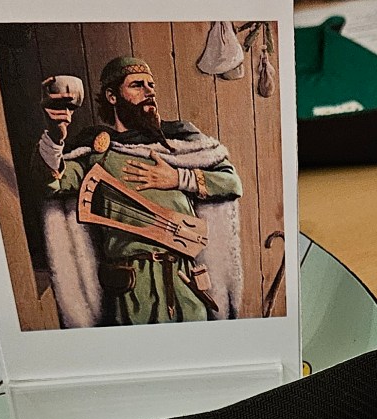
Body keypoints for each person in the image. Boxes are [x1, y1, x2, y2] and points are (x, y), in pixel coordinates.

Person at [36, 55, 243, 326]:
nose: (149, 91)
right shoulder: (98, 153)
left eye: (151, 85)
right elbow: (51, 183)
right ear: (112, 96)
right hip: (132, 289)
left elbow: (231, 183)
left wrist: (177, 177)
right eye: (137, 85)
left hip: (187, 284)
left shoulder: (182, 142)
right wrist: (55, 136)